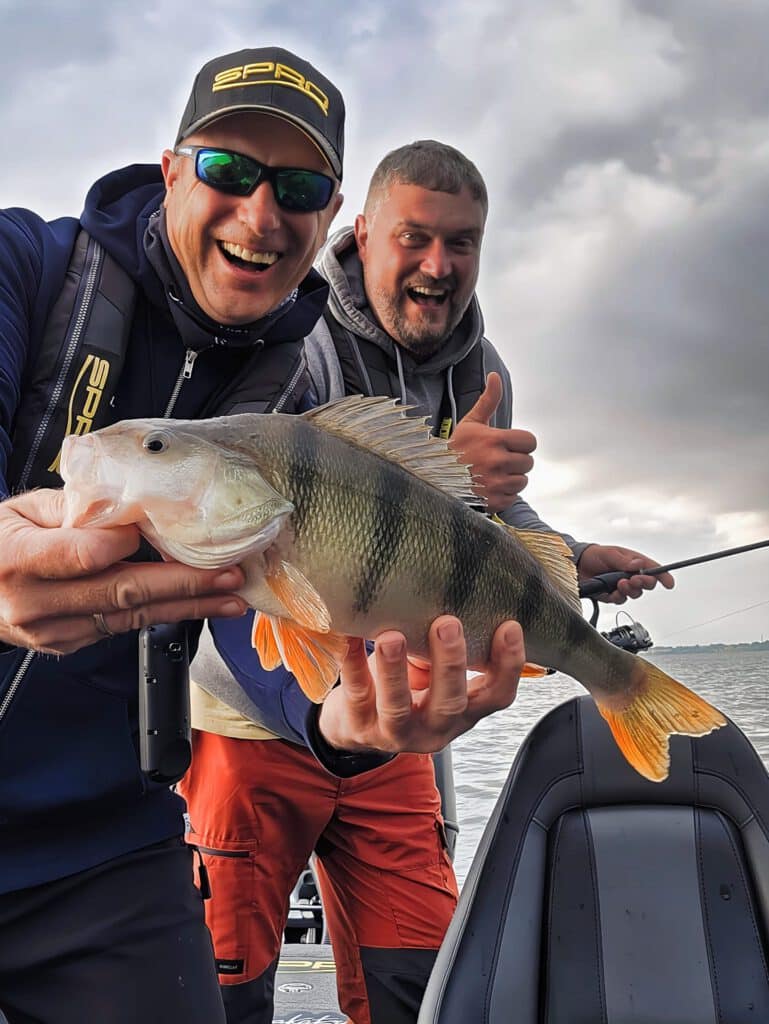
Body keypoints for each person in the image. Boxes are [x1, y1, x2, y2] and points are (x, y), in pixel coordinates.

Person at [0, 54, 525, 1024]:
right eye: (228, 170)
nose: (261, 212)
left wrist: (334, 724)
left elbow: (262, 596)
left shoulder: (294, 386)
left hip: (104, 851)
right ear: (170, 171)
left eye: (299, 188)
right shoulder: (25, 267)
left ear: (329, 217)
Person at [180, 140, 674, 1024]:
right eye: (414, 237)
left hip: (400, 717)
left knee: (418, 980)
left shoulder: (483, 371)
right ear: (363, 234)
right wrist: (448, 471)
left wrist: (574, 556)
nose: (438, 265)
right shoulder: (288, 335)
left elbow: (479, 524)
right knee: (223, 984)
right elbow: (256, 510)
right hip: (251, 711)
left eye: (461, 242)